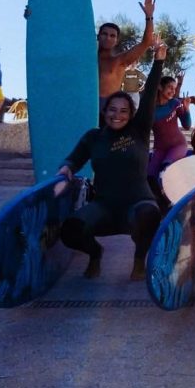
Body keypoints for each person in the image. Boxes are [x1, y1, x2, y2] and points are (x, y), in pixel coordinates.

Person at [55, 39, 168, 281]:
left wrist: (158, 62)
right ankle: (95, 254)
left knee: (150, 215)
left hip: (137, 205)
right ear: (104, 112)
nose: (117, 115)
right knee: (70, 231)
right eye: (112, 110)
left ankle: (139, 260)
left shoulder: (138, 131)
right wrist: (65, 169)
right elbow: (72, 160)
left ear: (131, 115)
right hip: (104, 207)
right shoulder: (94, 137)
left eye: (123, 111)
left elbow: (148, 96)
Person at [97, 0, 156, 124]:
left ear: (117, 40)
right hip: (83, 108)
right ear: (98, 36)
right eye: (104, 34)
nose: (108, 38)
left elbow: (146, 42)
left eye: (112, 36)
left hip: (108, 114)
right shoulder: (87, 59)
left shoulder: (119, 61)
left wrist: (149, 17)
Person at [150, 73, 192, 207]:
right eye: (169, 87)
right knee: (149, 177)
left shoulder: (175, 103)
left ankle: (173, 202)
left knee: (165, 168)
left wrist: (187, 110)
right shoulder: (150, 108)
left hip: (177, 145)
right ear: (160, 88)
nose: (173, 91)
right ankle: (161, 205)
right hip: (160, 148)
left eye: (174, 88)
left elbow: (186, 125)